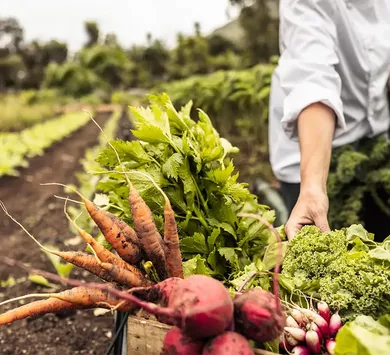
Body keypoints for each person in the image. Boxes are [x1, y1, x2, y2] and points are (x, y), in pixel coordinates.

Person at [268, 0, 390, 240]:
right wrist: (313, 187)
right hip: (311, 145)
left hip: (374, 135)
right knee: (321, 243)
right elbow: (314, 83)